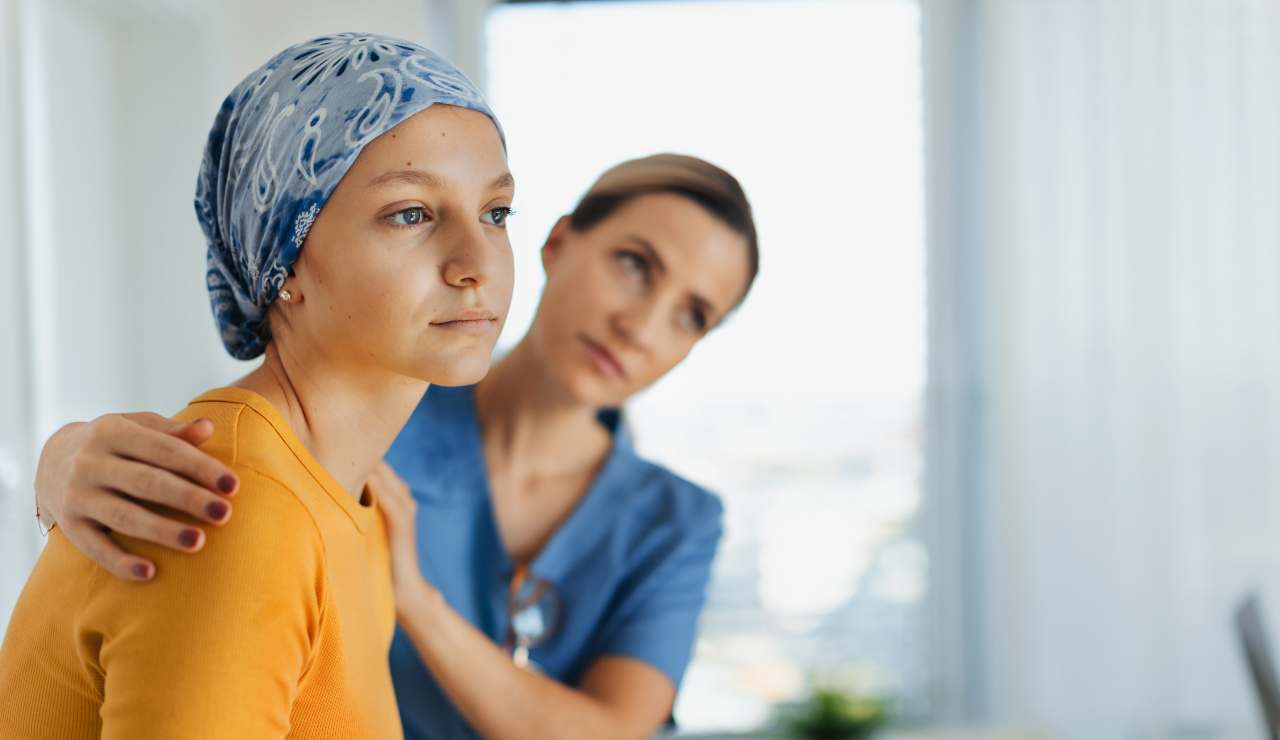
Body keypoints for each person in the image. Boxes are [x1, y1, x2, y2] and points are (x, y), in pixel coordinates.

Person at [35, 154, 758, 738]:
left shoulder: (676, 521)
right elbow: (234, 455)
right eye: (635, 264)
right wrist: (62, 460)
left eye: (692, 315)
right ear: (559, 243)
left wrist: (413, 598)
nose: (642, 324)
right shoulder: (380, 412)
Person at [0, 32, 513, 739]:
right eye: (411, 214)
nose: (476, 262)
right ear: (286, 259)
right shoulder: (232, 507)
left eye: (495, 213)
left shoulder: (353, 504)